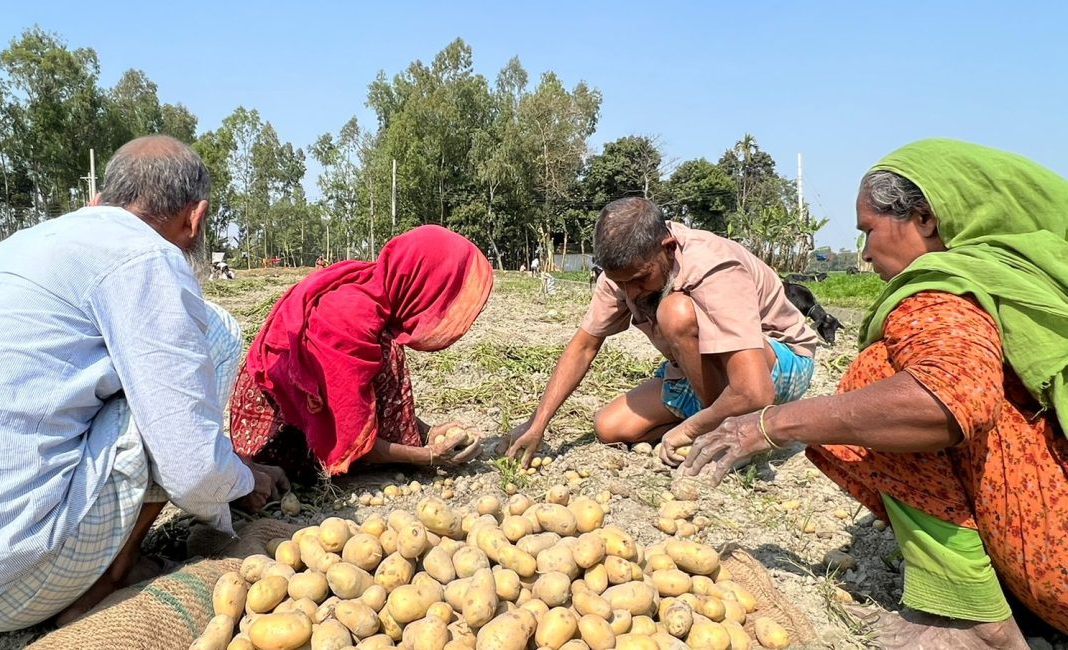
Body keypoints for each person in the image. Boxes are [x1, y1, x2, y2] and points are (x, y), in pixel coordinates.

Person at [679, 139, 1068, 647]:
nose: (864, 252)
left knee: (875, 380)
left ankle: (972, 621)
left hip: (1055, 570)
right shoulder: (1034, 280)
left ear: (925, 218)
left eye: (868, 231)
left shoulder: (944, 294)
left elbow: (946, 400)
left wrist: (776, 423)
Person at [0, 136, 288, 632]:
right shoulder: (148, 257)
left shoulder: (24, 246)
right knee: (214, 331)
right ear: (194, 218)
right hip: (14, 584)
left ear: (98, 202)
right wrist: (242, 483)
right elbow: (192, 470)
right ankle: (113, 574)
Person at [506, 197, 817, 465]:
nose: (631, 293)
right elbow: (584, 346)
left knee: (674, 313)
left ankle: (733, 430)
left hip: (778, 364)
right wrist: (537, 424)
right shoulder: (624, 275)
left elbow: (753, 390)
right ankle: (716, 420)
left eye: (640, 279)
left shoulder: (713, 265)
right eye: (620, 283)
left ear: (667, 248)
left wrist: (690, 429)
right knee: (609, 427)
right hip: (703, 372)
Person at [229, 225, 494, 480]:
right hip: (277, 438)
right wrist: (427, 456)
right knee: (388, 351)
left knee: (388, 348)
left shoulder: (374, 287)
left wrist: (428, 431)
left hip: (307, 414)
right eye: (443, 295)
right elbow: (348, 430)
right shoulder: (350, 316)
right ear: (422, 281)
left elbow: (360, 397)